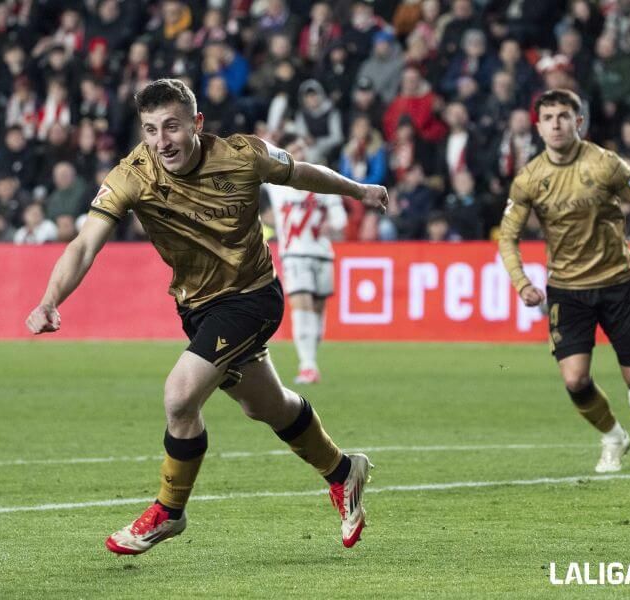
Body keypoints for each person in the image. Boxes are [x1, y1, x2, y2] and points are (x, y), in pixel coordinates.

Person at [26, 79, 388, 555]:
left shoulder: (242, 156)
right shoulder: (132, 175)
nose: (161, 142)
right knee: (268, 407)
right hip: (197, 307)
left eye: (171, 127)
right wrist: (51, 298)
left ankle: (169, 511)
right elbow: (84, 244)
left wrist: (358, 190)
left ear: (196, 124)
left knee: (179, 397)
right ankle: (344, 471)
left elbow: (302, 173)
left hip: (253, 297)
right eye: (150, 130)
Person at [498, 89, 630, 473]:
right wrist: (521, 283)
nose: (556, 124)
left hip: (619, 281)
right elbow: (507, 236)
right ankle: (613, 437)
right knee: (575, 379)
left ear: (578, 122)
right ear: (538, 126)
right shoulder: (530, 179)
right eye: (548, 117)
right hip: (567, 289)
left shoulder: (606, 165)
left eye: (563, 116)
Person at [263, 137, 347, 384]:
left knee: (318, 311)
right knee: (302, 305)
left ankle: (311, 362)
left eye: (302, 147)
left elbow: (341, 219)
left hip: (322, 253)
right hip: (294, 254)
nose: (300, 152)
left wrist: (331, 225)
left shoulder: (324, 180)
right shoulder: (277, 183)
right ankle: (307, 366)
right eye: (294, 149)